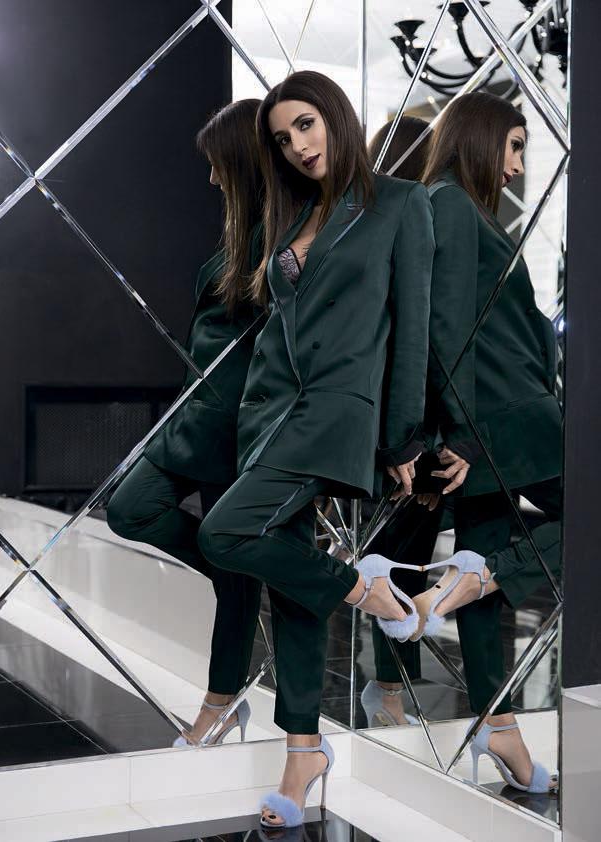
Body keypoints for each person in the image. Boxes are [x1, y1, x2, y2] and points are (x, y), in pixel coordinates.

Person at [197, 71, 434, 828]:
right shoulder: (290, 212)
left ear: (335, 115)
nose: (298, 146)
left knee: (223, 532)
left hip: (333, 413)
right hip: (267, 412)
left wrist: (403, 437)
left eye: (305, 124)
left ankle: (365, 590)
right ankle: (302, 753)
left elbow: (414, 329)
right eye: (282, 138)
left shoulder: (400, 204)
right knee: (293, 587)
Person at [381, 92, 561, 793]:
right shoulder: (451, 204)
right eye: (513, 146)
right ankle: (470, 583)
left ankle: (498, 724)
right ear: (481, 137)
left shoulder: (452, 207)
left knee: (480, 547)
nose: (515, 167)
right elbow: (445, 326)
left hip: (488, 418)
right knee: (571, 528)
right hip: (507, 417)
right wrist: (457, 430)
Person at [106, 99, 265, 748]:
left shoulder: (278, 239)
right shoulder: (241, 235)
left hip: (238, 429)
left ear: (242, 161)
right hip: (197, 420)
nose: (211, 177)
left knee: (235, 576)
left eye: (217, 164)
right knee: (130, 509)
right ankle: (241, 569)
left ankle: (220, 704)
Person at [362, 115, 443, 729]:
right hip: (410, 421)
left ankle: (388, 690)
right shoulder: (416, 214)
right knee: (400, 556)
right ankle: (387, 692)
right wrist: (413, 439)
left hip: (382, 414)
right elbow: (419, 338)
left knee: (393, 553)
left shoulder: (366, 219)